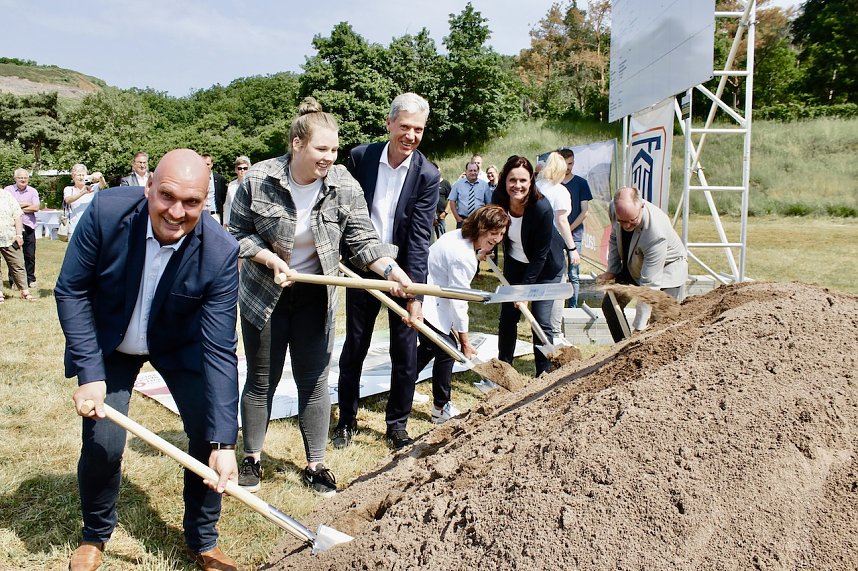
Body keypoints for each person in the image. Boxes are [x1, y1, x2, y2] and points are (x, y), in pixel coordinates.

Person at [56, 149, 242, 571]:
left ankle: (203, 538)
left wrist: (225, 442)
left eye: (192, 203)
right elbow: (71, 290)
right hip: (112, 345)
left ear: (206, 203)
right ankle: (95, 534)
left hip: (178, 345)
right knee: (104, 444)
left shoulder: (220, 251)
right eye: (167, 197)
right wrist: (89, 371)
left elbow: (218, 349)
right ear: (148, 188)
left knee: (207, 434)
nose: (177, 212)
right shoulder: (106, 212)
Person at [229, 97, 411, 494]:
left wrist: (392, 273)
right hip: (265, 293)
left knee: (314, 381)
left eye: (333, 149)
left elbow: (362, 239)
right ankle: (251, 459)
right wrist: (267, 258)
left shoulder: (344, 184)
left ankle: (315, 464)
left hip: (315, 294)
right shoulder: (259, 178)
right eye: (321, 149)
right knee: (262, 380)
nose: (329, 158)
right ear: (297, 144)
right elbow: (236, 234)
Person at [334, 92, 440, 450]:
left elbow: (419, 237)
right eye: (405, 127)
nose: (411, 136)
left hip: (403, 272)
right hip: (361, 267)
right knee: (356, 345)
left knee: (405, 349)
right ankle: (346, 421)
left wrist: (415, 295)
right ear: (389, 124)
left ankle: (397, 423)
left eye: (419, 130)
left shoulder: (427, 174)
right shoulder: (361, 157)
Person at [416, 205, 508, 422]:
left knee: (430, 348)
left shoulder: (458, 236)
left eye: (501, 233)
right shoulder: (462, 257)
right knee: (448, 350)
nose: (497, 239)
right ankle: (440, 408)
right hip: (428, 301)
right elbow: (459, 301)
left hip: (430, 296)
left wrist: (480, 252)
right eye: (492, 233)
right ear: (480, 228)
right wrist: (465, 341)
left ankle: (403, 385)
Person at [493, 155, 565, 377]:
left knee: (540, 321)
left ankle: (543, 373)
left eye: (523, 180)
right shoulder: (499, 198)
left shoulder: (541, 208)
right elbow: (491, 226)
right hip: (515, 263)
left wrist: (525, 292)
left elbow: (540, 256)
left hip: (545, 268)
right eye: (512, 180)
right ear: (505, 181)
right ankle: (503, 369)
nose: (518, 186)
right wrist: (485, 245)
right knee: (507, 318)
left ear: (531, 181)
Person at [596, 186, 688, 342]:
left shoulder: (655, 233)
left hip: (667, 269)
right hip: (634, 262)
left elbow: (649, 286)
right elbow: (613, 238)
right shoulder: (615, 209)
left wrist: (639, 327)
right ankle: (622, 348)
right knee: (610, 306)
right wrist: (612, 270)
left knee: (660, 320)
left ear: (642, 206)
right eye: (622, 221)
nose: (626, 226)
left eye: (632, 221)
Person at [536, 152, 580, 343]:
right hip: (553, 245)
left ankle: (541, 326)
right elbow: (562, 221)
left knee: (539, 288)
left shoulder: (536, 187)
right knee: (558, 288)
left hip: (534, 243)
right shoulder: (560, 191)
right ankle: (554, 331)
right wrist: (572, 248)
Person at [559, 148, 592, 308]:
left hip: (575, 234)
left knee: (574, 274)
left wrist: (569, 229)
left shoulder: (581, 183)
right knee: (557, 273)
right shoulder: (554, 184)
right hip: (557, 235)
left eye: (570, 163)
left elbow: (585, 211)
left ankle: (572, 307)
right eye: (565, 164)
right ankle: (556, 304)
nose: (568, 167)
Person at [4, 168, 40, 288]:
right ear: (15, 178)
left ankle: (30, 279)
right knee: (13, 256)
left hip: (29, 226)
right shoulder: (8, 190)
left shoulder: (33, 191)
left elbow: (36, 207)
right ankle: (14, 281)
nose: (23, 180)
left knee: (29, 255)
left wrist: (17, 207)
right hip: (12, 228)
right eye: (20, 178)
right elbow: (7, 207)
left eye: (25, 177)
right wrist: (26, 204)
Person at [0, 189, 35, 302]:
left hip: (9, 237)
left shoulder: (6, 195)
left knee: (18, 264)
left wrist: (19, 235)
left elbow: (18, 215)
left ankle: (25, 291)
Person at [448, 161, 490, 229]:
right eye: (470, 170)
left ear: (478, 171)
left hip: (479, 221)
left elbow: (489, 204)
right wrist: (457, 218)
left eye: (475, 170)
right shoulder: (458, 184)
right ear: (466, 171)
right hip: (463, 220)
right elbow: (452, 201)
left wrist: (485, 218)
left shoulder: (484, 185)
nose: (473, 173)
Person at [63, 164, 95, 239]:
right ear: (73, 177)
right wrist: (83, 192)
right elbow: (67, 200)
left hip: (90, 228)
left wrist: (100, 177)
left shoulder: (92, 188)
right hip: (74, 228)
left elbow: (103, 185)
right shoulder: (68, 189)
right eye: (78, 175)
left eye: (83, 175)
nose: (81, 177)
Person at [223, 155, 250, 228]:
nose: (242, 170)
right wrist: (225, 221)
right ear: (236, 170)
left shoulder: (251, 185)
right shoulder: (231, 185)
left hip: (247, 222)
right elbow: (227, 204)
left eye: (245, 168)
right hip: (232, 222)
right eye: (239, 168)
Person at [201, 153, 228, 224]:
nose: (206, 166)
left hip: (215, 215)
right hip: (200, 215)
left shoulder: (219, 179)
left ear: (212, 164)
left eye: (208, 164)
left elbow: (224, 198)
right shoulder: (196, 179)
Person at [432, 161, 451, 239]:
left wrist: (445, 212)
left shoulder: (445, 183)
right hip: (429, 216)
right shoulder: (428, 183)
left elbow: (451, 199)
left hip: (441, 215)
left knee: (442, 237)